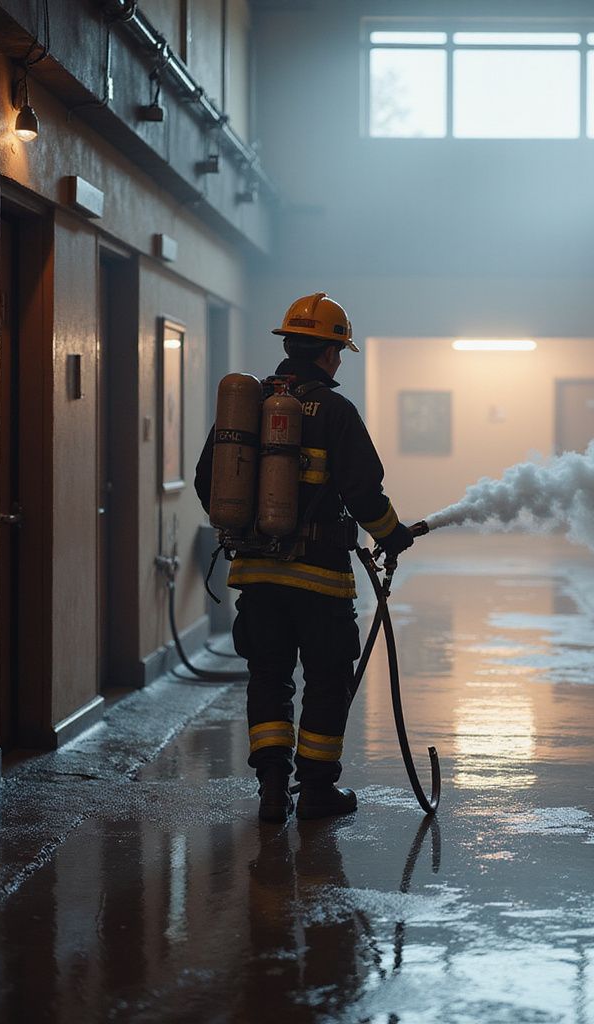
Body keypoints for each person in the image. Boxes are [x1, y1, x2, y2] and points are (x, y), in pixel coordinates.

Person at [194, 292, 414, 823]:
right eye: (340, 351)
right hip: (320, 582)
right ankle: (316, 792)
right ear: (330, 353)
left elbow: (209, 481)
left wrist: (246, 529)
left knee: (269, 678)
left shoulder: (246, 407)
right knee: (325, 681)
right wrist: (392, 535)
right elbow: (364, 492)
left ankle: (272, 787)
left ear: (289, 344)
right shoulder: (336, 411)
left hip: (256, 577)